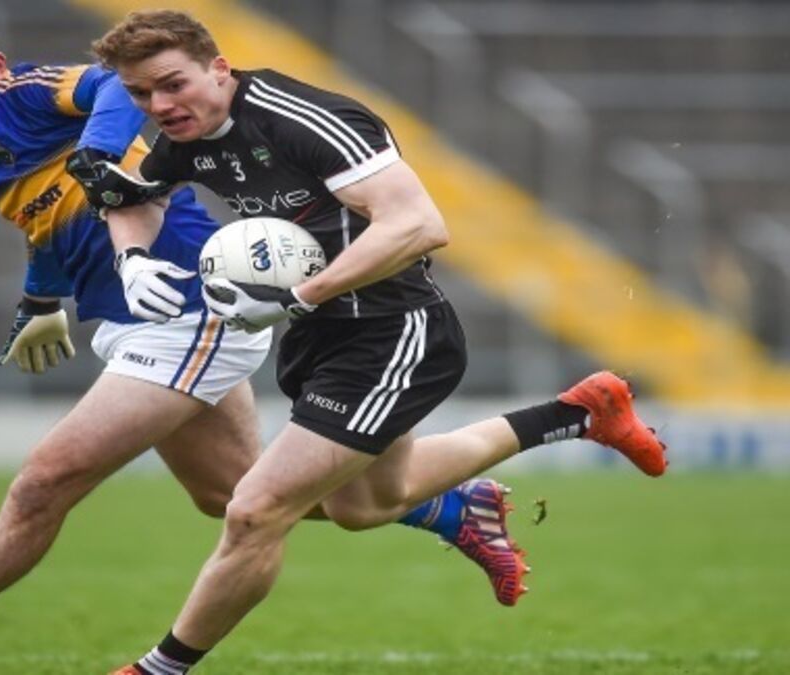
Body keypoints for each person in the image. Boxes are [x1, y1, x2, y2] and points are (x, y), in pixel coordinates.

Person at [0, 8, 521, 675]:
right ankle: (449, 509)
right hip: (135, 315)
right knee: (232, 497)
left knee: (42, 485)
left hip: (188, 312)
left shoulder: (32, 94)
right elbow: (50, 219)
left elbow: (110, 85)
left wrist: (101, 153)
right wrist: (41, 296)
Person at [81, 10, 670, 674]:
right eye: (140, 94)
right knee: (364, 506)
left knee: (254, 509)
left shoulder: (303, 119)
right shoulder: (186, 133)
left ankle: (158, 668)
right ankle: (577, 413)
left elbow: (418, 224)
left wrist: (301, 295)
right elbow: (132, 195)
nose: (159, 105)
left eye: (172, 84)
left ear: (219, 68)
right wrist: (132, 259)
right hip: (318, 335)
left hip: (393, 330)